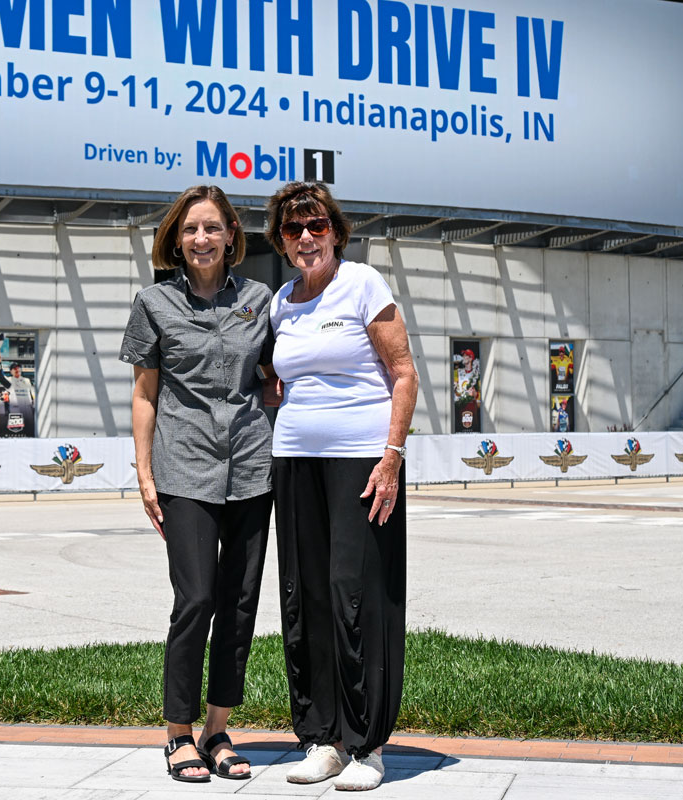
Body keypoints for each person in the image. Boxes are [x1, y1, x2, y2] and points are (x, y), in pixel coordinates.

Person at [263, 181, 418, 792]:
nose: (306, 238)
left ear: (336, 231)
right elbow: (280, 378)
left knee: (357, 594)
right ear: (280, 240)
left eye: (316, 226)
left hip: (360, 461)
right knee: (307, 598)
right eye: (293, 229)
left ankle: (367, 745)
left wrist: (392, 458)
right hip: (295, 458)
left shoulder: (364, 284)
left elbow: (403, 375)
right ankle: (321, 737)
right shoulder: (281, 301)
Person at [120, 185, 275, 784]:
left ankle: (217, 730)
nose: (202, 239)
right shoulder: (153, 303)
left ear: (232, 234)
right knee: (196, 600)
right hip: (184, 467)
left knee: (239, 605)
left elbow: (275, 371)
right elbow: (144, 394)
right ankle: (177, 733)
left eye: (212, 228)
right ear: (175, 240)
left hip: (251, 467)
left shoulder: (260, 299)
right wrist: (144, 472)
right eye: (190, 230)